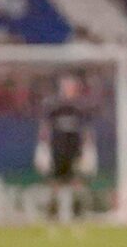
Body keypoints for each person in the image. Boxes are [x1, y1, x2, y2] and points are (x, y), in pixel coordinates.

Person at [34, 74, 98, 230]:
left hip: (75, 148)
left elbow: (87, 129)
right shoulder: (53, 105)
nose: (68, 89)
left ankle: (78, 210)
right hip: (58, 147)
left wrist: (89, 148)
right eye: (66, 86)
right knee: (55, 180)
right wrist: (42, 146)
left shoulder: (81, 107)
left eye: (71, 86)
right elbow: (45, 127)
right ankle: (52, 211)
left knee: (76, 180)